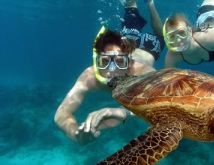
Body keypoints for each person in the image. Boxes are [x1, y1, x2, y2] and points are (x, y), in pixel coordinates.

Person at [54, 0, 164, 144]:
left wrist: (124, 112)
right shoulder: (90, 76)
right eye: (105, 61)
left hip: (149, 47)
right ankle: (131, 5)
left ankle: (150, 3)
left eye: (120, 62)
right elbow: (61, 114)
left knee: (160, 34)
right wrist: (75, 132)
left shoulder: (142, 72)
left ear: (129, 63)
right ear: (96, 61)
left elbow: (161, 98)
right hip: (126, 41)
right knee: (131, 16)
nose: (112, 71)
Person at [163, 0, 214, 68]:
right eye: (171, 36)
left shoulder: (209, 38)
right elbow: (168, 76)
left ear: (190, 31)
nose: (178, 40)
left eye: (181, 32)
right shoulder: (173, 56)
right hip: (203, 19)